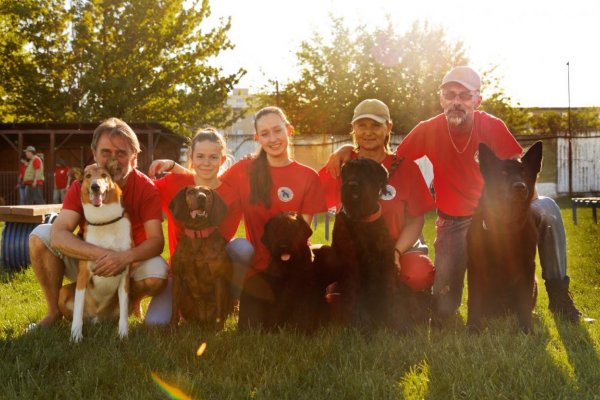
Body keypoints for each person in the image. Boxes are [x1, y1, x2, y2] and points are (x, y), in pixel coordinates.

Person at [328, 66, 585, 323]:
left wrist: (524, 218)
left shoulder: (492, 126)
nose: (456, 102)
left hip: (495, 219)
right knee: (442, 310)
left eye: (464, 95)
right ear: (441, 99)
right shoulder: (428, 129)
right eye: (450, 95)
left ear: (477, 100)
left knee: (546, 209)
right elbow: (390, 157)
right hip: (453, 223)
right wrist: (350, 149)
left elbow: (522, 174)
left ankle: (559, 296)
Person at [28, 118, 169, 328]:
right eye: (106, 153)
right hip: (90, 261)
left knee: (158, 272)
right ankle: (53, 312)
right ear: (94, 154)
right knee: (41, 235)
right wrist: (102, 257)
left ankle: (130, 301)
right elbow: (59, 234)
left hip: (130, 263)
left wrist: (122, 258)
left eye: (121, 153)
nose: (113, 159)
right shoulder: (84, 182)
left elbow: (157, 241)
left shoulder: (145, 187)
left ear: (134, 157)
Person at [220, 106, 327, 327]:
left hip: (295, 269)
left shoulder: (308, 176)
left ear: (289, 130)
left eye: (278, 130)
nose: (273, 138)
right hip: (259, 269)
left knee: (301, 327)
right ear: (257, 138)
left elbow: (303, 231)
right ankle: (232, 299)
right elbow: (210, 184)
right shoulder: (244, 170)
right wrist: (176, 169)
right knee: (252, 329)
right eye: (265, 133)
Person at [319, 99, 436, 289]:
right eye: (361, 125)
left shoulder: (407, 168)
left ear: (388, 127)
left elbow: (416, 220)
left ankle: (411, 299)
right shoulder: (343, 166)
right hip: (355, 252)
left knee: (417, 275)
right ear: (353, 128)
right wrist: (342, 150)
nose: (368, 132)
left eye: (375, 125)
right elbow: (309, 196)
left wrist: (396, 252)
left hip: (400, 247)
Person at [144, 128, 251, 325]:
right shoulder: (175, 182)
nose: (206, 162)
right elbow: (143, 191)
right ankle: (184, 308)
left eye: (213, 157)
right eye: (200, 156)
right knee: (155, 323)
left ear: (222, 158)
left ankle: (231, 301)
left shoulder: (230, 195)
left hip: (212, 269)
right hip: (180, 272)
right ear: (191, 157)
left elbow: (223, 238)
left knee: (242, 248)